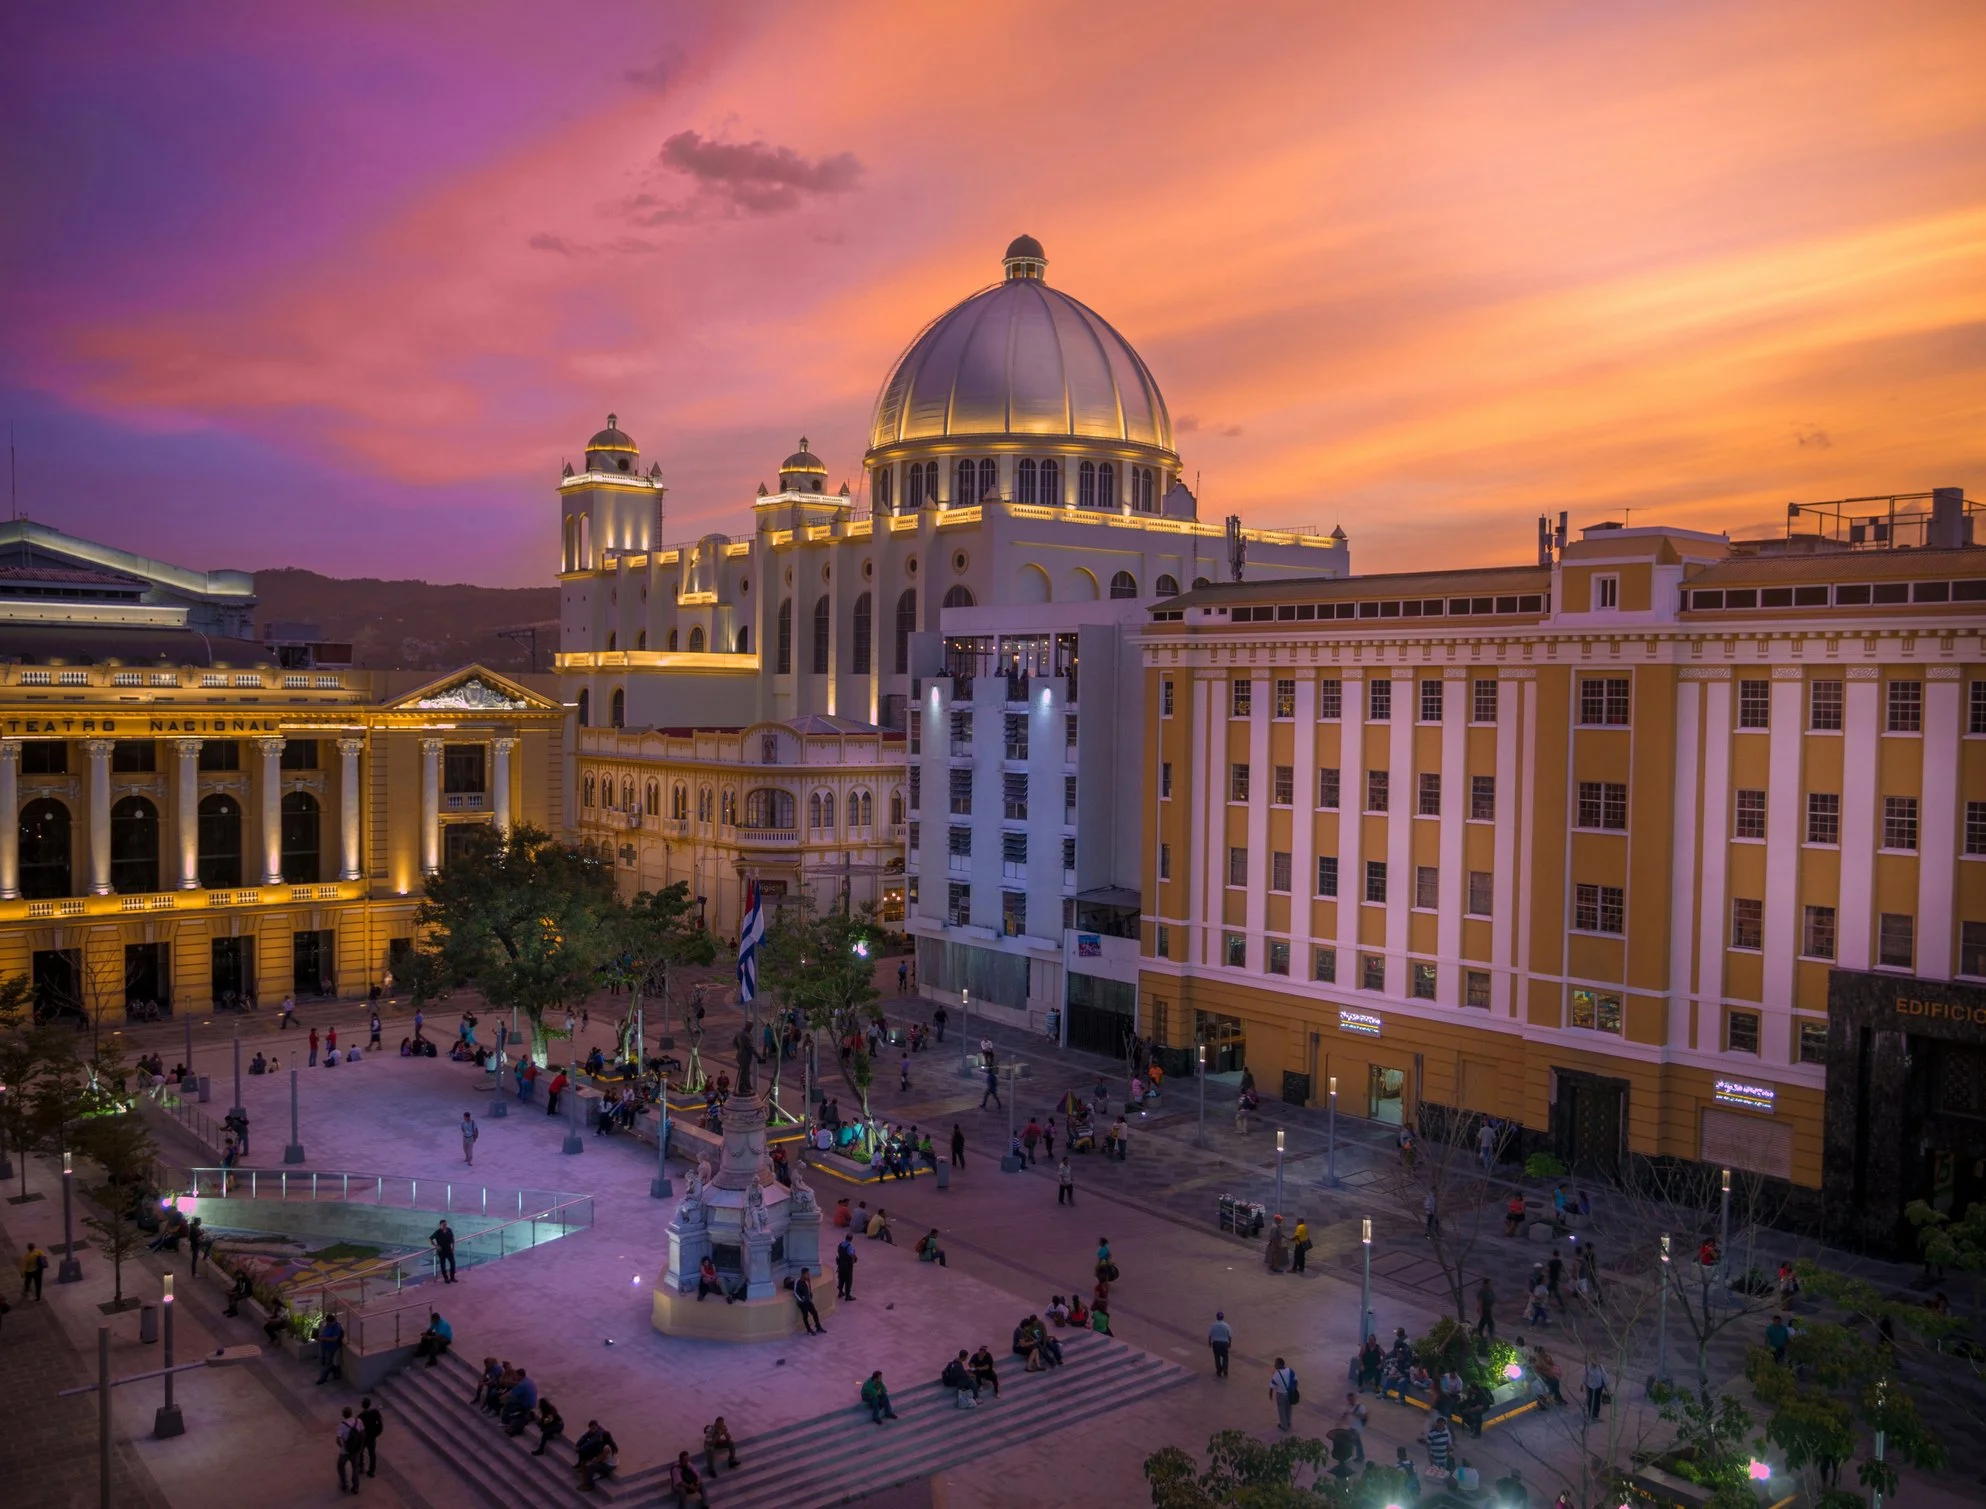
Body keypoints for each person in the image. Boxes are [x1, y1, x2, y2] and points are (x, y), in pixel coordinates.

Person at [575, 1420, 619, 1491]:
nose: (600, 1437)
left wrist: (591, 1462)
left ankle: (589, 1485)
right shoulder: (610, 1444)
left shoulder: (606, 1448)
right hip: (607, 1461)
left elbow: (600, 1458)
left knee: (590, 1467)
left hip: (609, 1465)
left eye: (602, 1437)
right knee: (589, 1462)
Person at [500, 1368, 539, 1436]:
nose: (515, 1377)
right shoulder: (529, 1381)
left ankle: (504, 1421)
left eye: (516, 1375)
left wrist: (500, 1397)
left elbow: (510, 1394)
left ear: (520, 1376)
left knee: (508, 1403)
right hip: (533, 1402)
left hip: (526, 1404)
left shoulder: (522, 1385)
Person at [335, 1407, 363, 1495]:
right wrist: (360, 1446)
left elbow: (338, 1439)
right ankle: (356, 1488)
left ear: (343, 1415)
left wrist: (342, 1447)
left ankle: (344, 1484)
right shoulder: (358, 1421)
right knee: (355, 1468)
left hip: (345, 1452)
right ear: (351, 1413)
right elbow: (362, 1433)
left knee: (340, 1466)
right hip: (355, 1451)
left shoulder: (342, 1425)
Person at [358, 1395, 384, 1478]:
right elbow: (380, 1420)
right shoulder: (375, 1412)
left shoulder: (361, 1416)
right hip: (372, 1437)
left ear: (362, 1405)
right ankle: (372, 1471)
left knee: (360, 1452)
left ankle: (361, 1467)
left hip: (364, 1438)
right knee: (372, 1454)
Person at [1270, 1357, 1299, 1432]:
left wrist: (1270, 1394)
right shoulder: (1290, 1371)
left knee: (1282, 1410)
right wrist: (1293, 1389)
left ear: (1280, 1365)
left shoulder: (1276, 1375)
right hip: (1289, 1394)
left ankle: (1284, 1426)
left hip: (1281, 1395)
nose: (1274, 1365)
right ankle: (1288, 1422)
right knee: (1288, 1408)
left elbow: (1272, 1386)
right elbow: (1295, 1381)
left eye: (1276, 1364)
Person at [316, 1313, 346, 1384]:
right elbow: (324, 1332)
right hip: (324, 1346)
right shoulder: (328, 1325)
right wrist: (320, 1337)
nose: (327, 1323)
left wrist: (323, 1338)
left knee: (328, 1363)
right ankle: (336, 1372)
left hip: (331, 1347)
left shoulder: (337, 1327)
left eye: (327, 1322)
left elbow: (334, 1339)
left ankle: (323, 1378)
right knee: (324, 1360)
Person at [794, 1267, 825, 1334]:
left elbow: (809, 1291)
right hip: (802, 1303)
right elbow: (795, 1292)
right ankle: (809, 1329)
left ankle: (818, 1327)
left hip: (808, 1301)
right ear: (803, 1274)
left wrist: (810, 1298)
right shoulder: (798, 1281)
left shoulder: (807, 1281)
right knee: (805, 1316)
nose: (808, 1276)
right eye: (807, 1274)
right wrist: (801, 1300)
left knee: (815, 1313)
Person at [1207, 1310, 1233, 1377]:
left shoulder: (1213, 1325)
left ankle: (1219, 1371)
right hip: (1224, 1343)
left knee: (1217, 1357)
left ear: (1216, 1317)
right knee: (1225, 1357)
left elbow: (1210, 1335)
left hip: (1216, 1343)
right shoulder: (1226, 1325)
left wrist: (1209, 1342)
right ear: (1223, 1317)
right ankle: (1225, 1370)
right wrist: (1229, 1343)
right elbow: (1229, 1335)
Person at [431, 1219, 458, 1283]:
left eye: (446, 1225)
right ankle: (446, 1278)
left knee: (453, 1264)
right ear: (440, 1225)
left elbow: (453, 1239)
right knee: (443, 1265)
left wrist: (453, 1247)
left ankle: (452, 1277)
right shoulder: (437, 1232)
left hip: (449, 1250)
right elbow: (430, 1238)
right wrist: (436, 1245)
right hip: (441, 1251)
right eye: (443, 1225)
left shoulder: (449, 1230)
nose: (445, 1226)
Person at [835, 1234, 858, 1301]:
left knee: (841, 1279)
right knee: (848, 1280)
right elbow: (852, 1255)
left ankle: (840, 1292)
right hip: (847, 1266)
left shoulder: (840, 1244)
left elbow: (839, 1253)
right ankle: (848, 1296)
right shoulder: (850, 1247)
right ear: (851, 1239)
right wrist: (853, 1262)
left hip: (840, 1265)